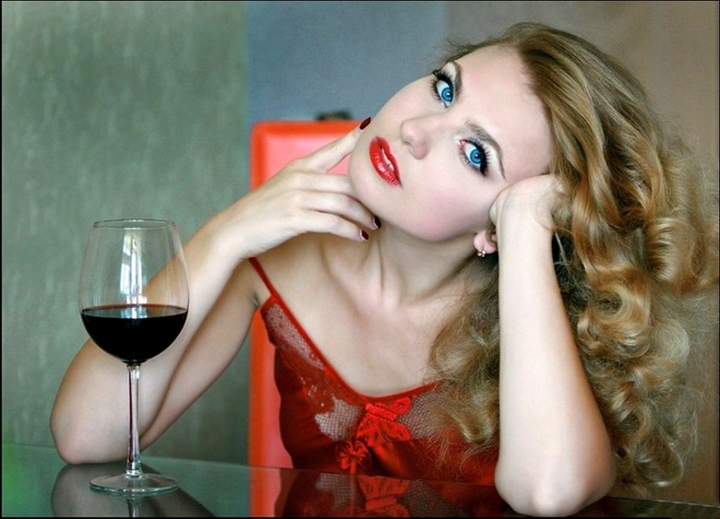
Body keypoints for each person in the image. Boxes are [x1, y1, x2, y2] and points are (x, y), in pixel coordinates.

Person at [51, 22, 718, 516]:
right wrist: (226, 233)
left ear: (502, 221)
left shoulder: (538, 313)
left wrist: (525, 230)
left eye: (475, 154)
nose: (415, 131)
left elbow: (549, 492)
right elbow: (86, 437)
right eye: (444, 88)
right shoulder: (279, 257)